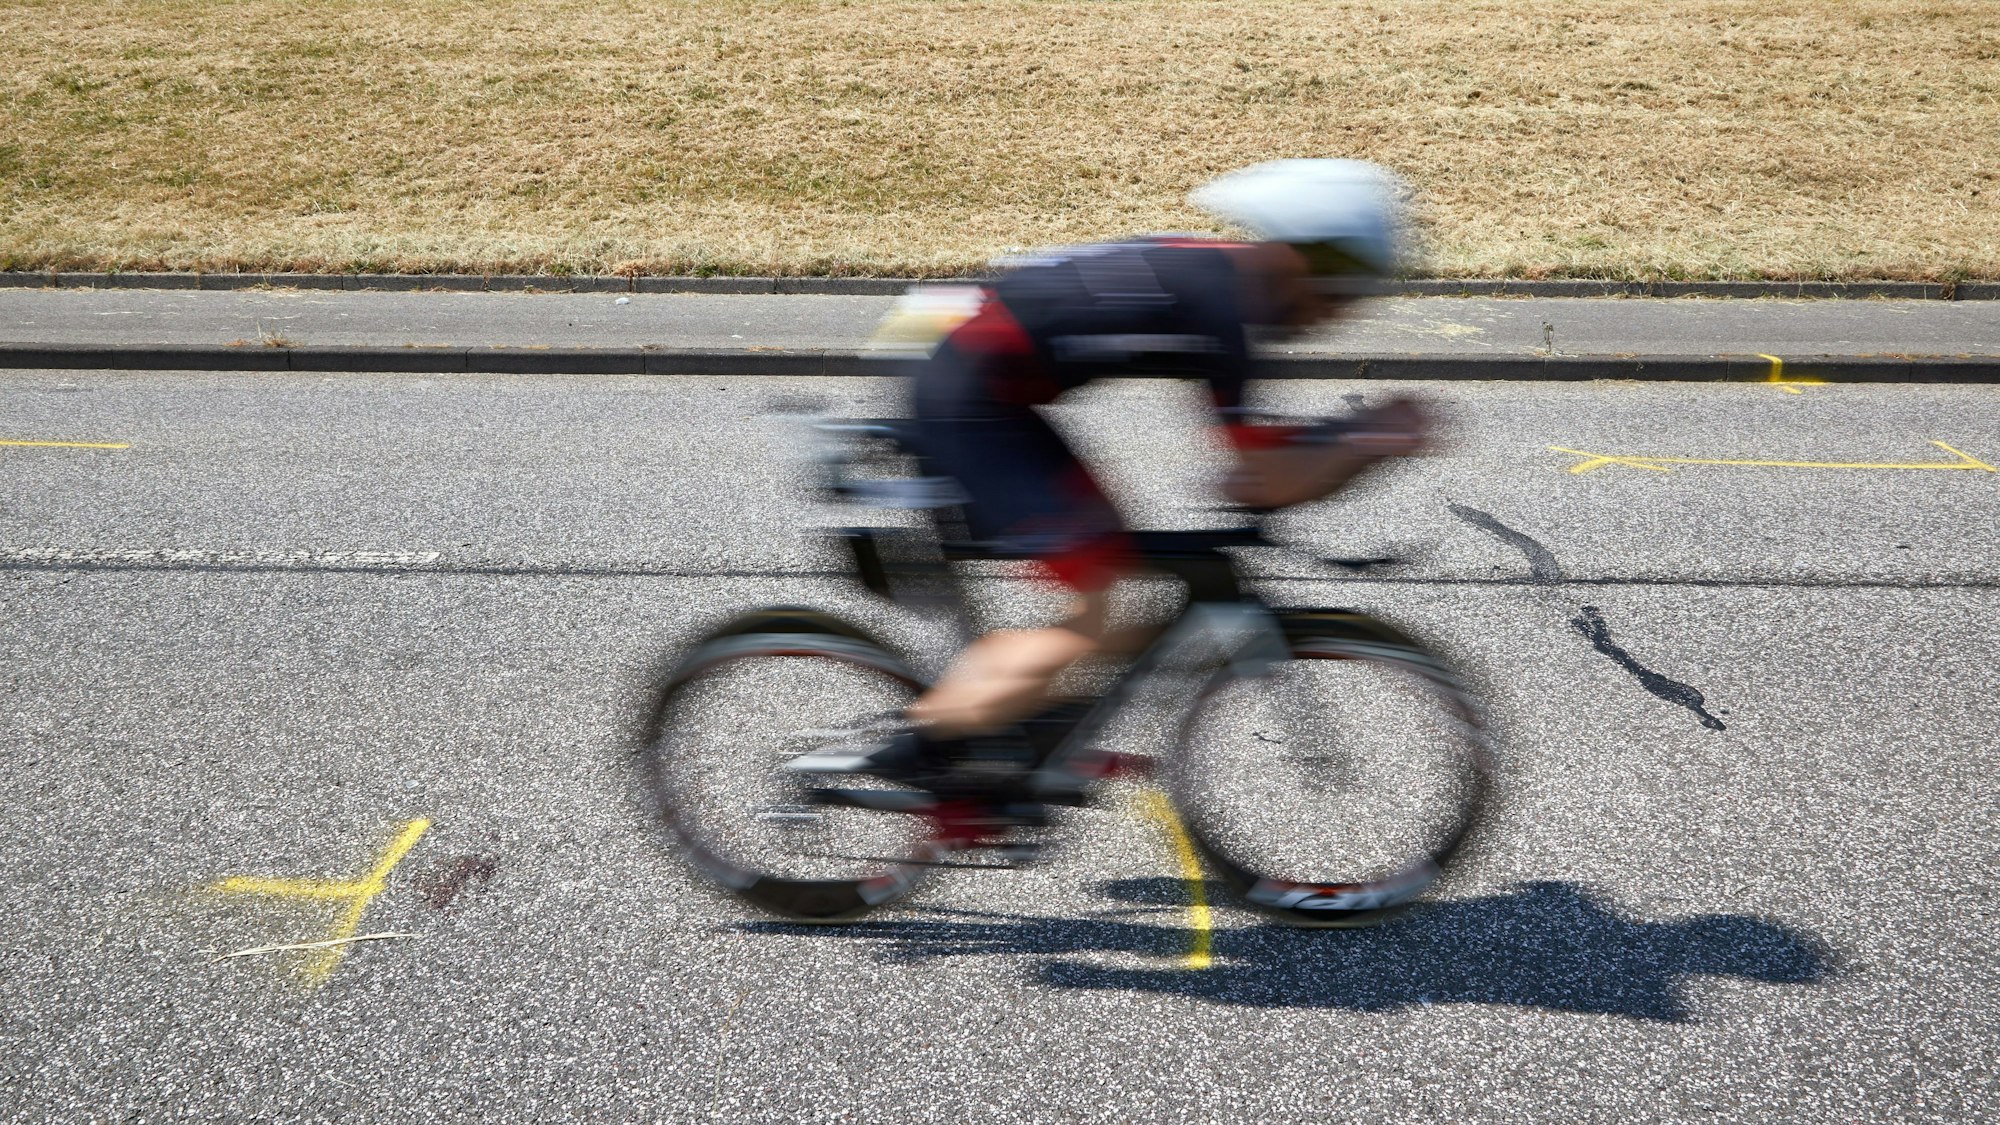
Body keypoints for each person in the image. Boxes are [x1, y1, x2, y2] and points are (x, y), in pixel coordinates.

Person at [791, 158, 1429, 801]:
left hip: (987, 382)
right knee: (1106, 610)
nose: (1341, 313)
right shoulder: (1224, 309)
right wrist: (1369, 439)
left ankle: (1016, 729)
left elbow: (1256, 465)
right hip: (971, 399)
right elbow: (1263, 481)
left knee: (1125, 589)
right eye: (1343, 290)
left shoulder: (1225, 284)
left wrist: (1340, 443)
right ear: (1297, 259)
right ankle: (910, 748)